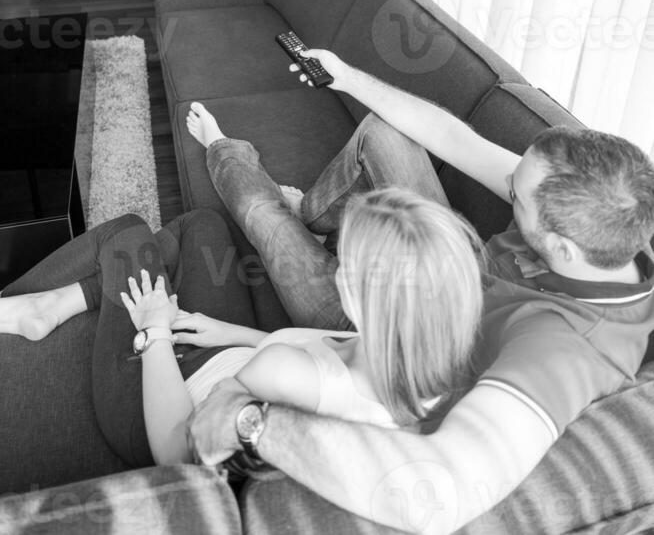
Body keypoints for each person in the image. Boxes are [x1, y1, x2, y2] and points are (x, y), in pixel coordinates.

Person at [185, 49, 654, 535]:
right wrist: (347, 77)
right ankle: (316, 215)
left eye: (515, 195)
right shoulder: (603, 222)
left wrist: (250, 422)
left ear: (560, 248)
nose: (508, 184)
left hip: (395, 328)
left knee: (268, 222)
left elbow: (438, 495)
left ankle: (225, 149)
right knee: (382, 131)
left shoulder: (566, 351)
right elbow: (456, 139)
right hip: (443, 259)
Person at [0, 177, 483, 468]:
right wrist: (228, 332)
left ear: (364, 296)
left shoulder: (288, 375)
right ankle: (76, 297)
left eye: (344, 263)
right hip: (225, 352)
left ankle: (42, 310)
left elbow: (174, 450)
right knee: (201, 225)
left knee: (125, 232)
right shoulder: (419, 354)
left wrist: (156, 331)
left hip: (156, 399)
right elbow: (315, 357)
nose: (335, 268)